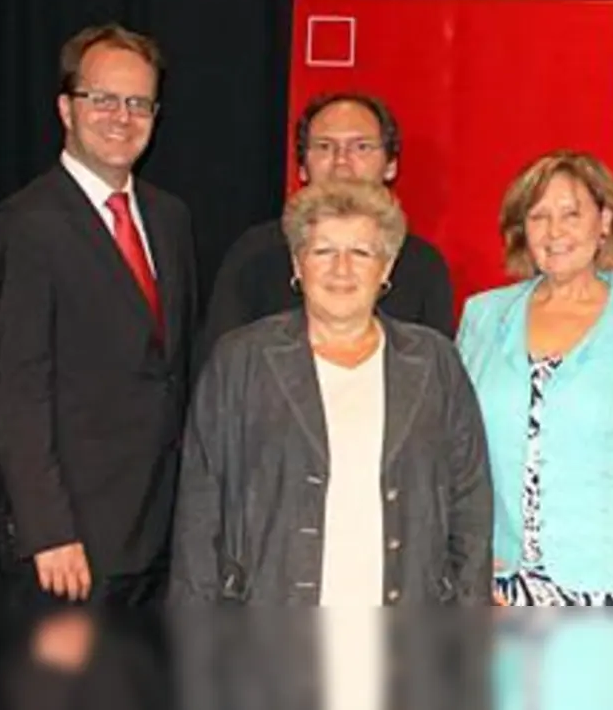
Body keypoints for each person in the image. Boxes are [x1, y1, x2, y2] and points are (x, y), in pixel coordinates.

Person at [169, 181, 493, 606]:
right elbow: (200, 509)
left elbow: (470, 503)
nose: (342, 269)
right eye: (323, 251)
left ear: (387, 267)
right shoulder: (241, 360)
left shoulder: (435, 362)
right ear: (297, 263)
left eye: (361, 253)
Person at [0, 23, 197, 607]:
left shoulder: (171, 219)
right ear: (66, 108)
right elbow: (16, 393)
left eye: (138, 103)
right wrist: (47, 531)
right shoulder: (25, 226)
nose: (121, 117)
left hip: (159, 536)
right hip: (70, 549)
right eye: (102, 98)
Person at [458, 151, 613, 606]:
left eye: (571, 214)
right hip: (499, 584)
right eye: (539, 216)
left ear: (604, 221)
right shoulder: (483, 318)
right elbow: (457, 455)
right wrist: (465, 566)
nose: (555, 232)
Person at [199, 92, 455, 365]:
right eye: (324, 146)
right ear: (302, 168)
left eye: (361, 147)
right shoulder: (254, 255)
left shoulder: (423, 265)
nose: (341, 162)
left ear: (391, 165)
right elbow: (218, 368)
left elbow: (437, 374)